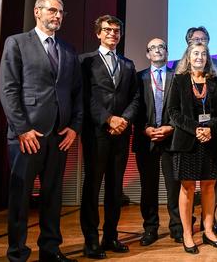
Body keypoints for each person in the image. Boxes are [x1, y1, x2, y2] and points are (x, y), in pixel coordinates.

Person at [0, 0, 82, 262]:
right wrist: (22, 129)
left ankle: (50, 249)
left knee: (53, 197)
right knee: (20, 198)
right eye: (52, 10)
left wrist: (73, 128)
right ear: (37, 11)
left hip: (59, 136)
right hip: (27, 136)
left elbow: (77, 94)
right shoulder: (17, 43)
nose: (57, 16)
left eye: (61, 12)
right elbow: (8, 89)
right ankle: (17, 253)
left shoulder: (68, 50)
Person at [79, 15, 140, 259]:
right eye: (107, 30)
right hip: (96, 133)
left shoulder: (128, 64)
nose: (112, 34)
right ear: (98, 33)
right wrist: (107, 119)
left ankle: (111, 236)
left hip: (121, 134)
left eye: (116, 30)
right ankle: (91, 241)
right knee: (92, 187)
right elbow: (84, 96)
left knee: (115, 189)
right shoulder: (85, 61)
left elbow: (135, 97)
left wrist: (124, 119)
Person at [168, 42, 217, 254]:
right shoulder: (179, 81)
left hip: (211, 141)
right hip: (187, 142)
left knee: (209, 186)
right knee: (188, 187)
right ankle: (187, 233)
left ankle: (209, 230)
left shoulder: (216, 82)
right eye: (195, 53)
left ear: (208, 57)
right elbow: (173, 112)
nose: (199, 57)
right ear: (188, 56)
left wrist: (209, 129)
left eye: (203, 54)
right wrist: (197, 129)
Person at [133, 38, 182, 246]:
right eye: (153, 48)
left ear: (167, 52)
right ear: (147, 54)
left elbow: (181, 108)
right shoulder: (138, 78)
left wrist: (170, 126)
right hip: (147, 140)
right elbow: (134, 107)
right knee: (148, 187)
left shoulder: (178, 78)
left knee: (175, 187)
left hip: (171, 139)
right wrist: (145, 129)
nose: (157, 50)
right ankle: (150, 228)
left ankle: (177, 228)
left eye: (161, 47)